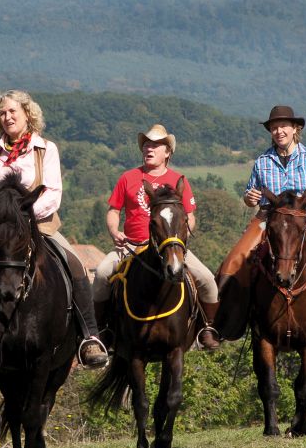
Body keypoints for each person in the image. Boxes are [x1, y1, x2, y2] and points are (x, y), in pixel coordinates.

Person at [0, 90, 109, 370]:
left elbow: (53, 193)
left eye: (13, 111)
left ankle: (89, 338)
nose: (7, 117)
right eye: (2, 113)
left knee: (76, 266)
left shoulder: (46, 149)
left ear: (28, 114)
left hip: (39, 227)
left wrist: (23, 219)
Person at [216, 105, 306, 344]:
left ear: (296, 129)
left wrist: (296, 200)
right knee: (234, 260)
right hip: (267, 219)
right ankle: (225, 324)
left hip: (302, 218)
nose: (278, 131)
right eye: (274, 127)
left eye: (283, 126)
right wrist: (249, 198)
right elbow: (249, 194)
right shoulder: (262, 161)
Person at [91, 124, 221, 350]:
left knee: (208, 280)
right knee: (102, 274)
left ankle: (206, 329)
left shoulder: (178, 179)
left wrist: (181, 239)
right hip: (131, 246)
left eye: (156, 145)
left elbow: (190, 216)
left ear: (168, 152)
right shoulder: (128, 177)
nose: (149, 149)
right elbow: (113, 210)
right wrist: (114, 232)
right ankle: (101, 333)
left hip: (170, 248)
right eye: (146, 145)